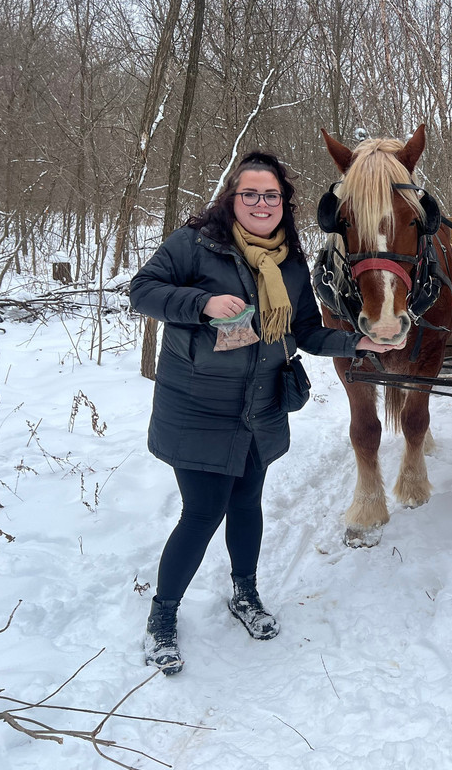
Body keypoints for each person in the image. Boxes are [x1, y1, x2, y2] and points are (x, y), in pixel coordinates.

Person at [129, 151, 399, 676]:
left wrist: (357, 342)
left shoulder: (291, 262)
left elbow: (306, 332)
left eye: (270, 195)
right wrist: (201, 304)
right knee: (204, 510)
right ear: (232, 198)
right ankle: (162, 615)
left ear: (284, 203)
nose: (260, 203)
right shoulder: (195, 245)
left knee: (248, 501)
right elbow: (143, 291)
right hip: (199, 405)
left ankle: (244, 593)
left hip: (261, 406)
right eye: (249, 194)